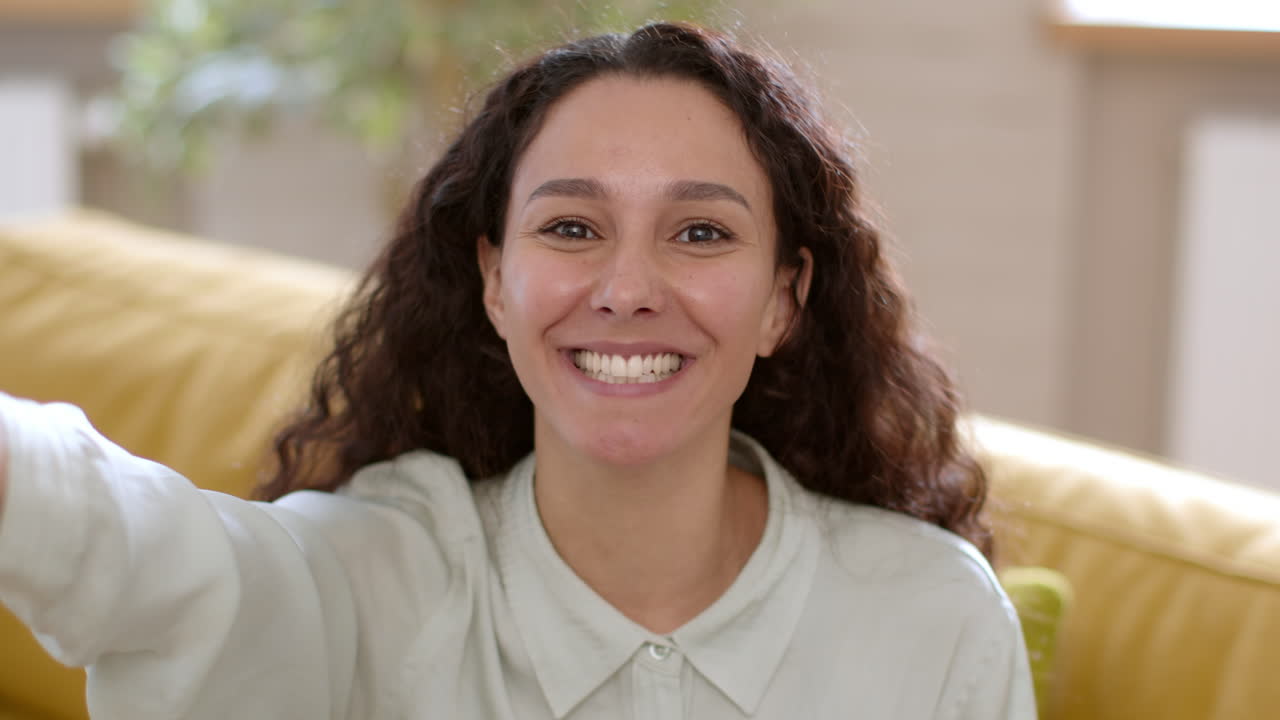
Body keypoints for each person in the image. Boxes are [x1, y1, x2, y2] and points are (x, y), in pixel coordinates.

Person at [0, 21, 1035, 720]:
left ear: (782, 298)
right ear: (495, 280)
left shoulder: (931, 620)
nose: (626, 287)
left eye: (701, 232)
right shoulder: (383, 573)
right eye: (573, 226)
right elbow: (168, 564)